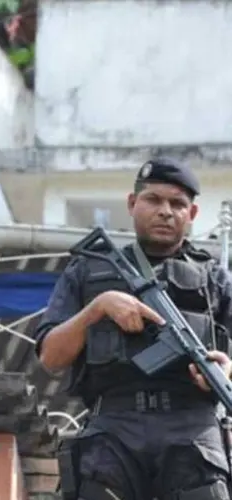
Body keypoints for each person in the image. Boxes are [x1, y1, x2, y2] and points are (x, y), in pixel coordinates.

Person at [37, 157, 232, 500]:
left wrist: (227, 370)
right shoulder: (87, 271)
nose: (166, 212)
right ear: (132, 203)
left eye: (177, 204)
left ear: (193, 214)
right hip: (114, 425)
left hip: (192, 425)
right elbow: (50, 357)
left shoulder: (214, 279)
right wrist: (98, 308)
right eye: (153, 200)